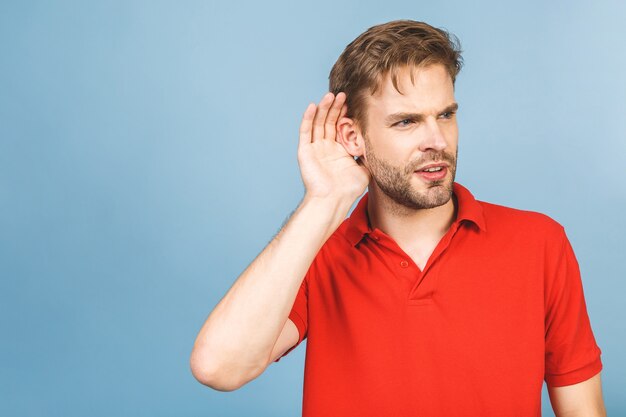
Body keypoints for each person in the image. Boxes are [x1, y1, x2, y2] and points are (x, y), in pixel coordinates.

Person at [190, 20, 606, 416]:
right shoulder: (315, 252)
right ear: (354, 138)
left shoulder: (539, 242)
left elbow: (582, 409)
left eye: (445, 114)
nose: (437, 141)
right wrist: (323, 201)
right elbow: (219, 368)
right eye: (407, 122)